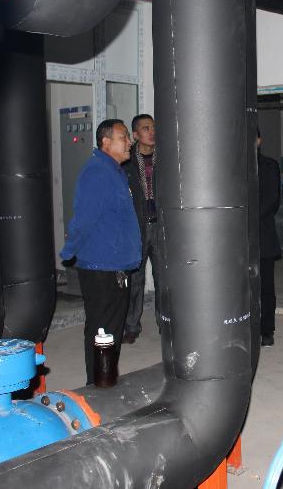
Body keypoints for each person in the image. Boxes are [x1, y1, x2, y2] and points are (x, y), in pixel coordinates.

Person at [60, 119, 141, 385]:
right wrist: (69, 251)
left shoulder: (114, 171)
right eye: (123, 137)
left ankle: (106, 379)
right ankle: (95, 384)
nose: (129, 142)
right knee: (101, 331)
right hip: (101, 269)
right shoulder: (97, 173)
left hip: (116, 266)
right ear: (106, 142)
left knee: (113, 330)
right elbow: (84, 219)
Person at [122, 114, 160, 344]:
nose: (152, 132)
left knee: (163, 277)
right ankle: (131, 325)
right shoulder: (126, 162)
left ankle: (165, 321)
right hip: (137, 226)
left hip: (160, 225)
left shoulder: (164, 157)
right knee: (135, 279)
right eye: (146, 128)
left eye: (153, 127)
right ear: (135, 135)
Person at [257, 129, 281, 346]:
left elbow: (272, 200)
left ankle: (266, 330)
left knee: (265, 286)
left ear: (259, 140)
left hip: (262, 234)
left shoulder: (269, 166)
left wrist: (246, 218)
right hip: (235, 238)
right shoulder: (231, 165)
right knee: (240, 286)